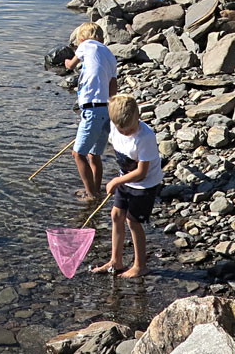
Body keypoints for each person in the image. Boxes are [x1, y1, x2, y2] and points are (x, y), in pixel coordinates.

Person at [92, 94, 163, 278]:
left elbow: (141, 173)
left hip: (144, 185)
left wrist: (116, 181)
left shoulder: (144, 137)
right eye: (121, 130)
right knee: (116, 215)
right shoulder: (115, 127)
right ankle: (116, 261)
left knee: (133, 221)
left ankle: (140, 265)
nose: (125, 133)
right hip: (126, 179)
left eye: (129, 129)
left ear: (138, 118)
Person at [63, 21, 118, 200]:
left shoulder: (86, 45)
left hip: (92, 109)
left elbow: (71, 66)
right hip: (105, 110)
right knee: (95, 155)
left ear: (82, 38)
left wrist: (66, 62)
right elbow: (113, 89)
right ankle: (96, 190)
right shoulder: (109, 54)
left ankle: (91, 195)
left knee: (78, 154)